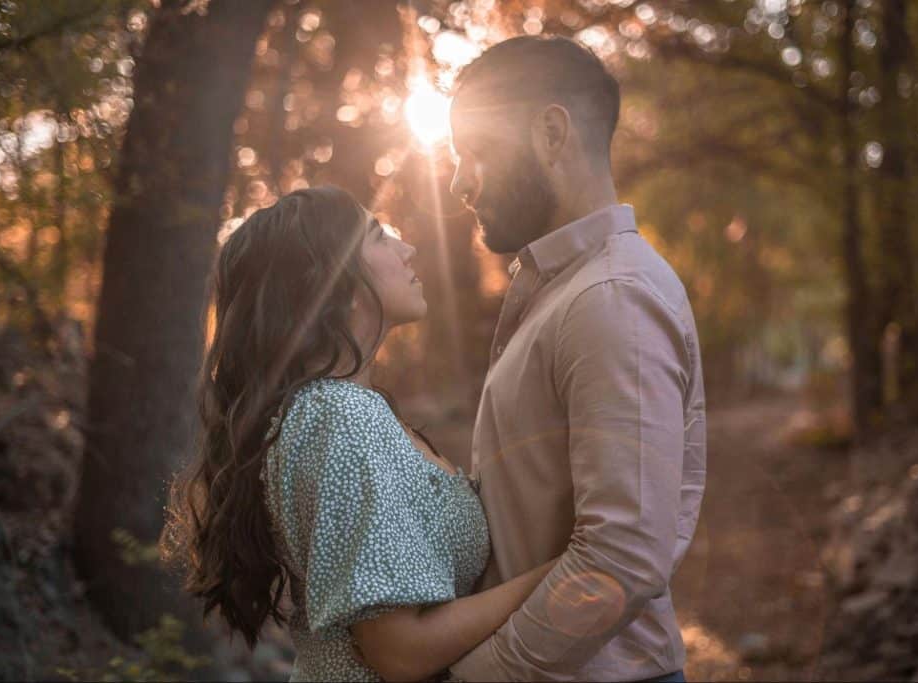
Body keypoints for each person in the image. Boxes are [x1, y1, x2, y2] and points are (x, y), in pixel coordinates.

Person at [163, 186, 557, 682]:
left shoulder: (341, 412)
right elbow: (400, 652)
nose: (407, 249)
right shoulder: (338, 417)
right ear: (333, 283)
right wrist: (554, 577)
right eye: (379, 237)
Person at [445, 36, 707, 682]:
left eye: (475, 151)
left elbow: (620, 556)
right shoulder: (569, 292)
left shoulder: (610, 298)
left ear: (551, 133)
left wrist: (478, 676)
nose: (456, 182)